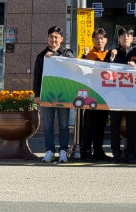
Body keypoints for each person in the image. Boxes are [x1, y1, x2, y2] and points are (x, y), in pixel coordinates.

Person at [33, 26, 74, 163]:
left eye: (56, 37)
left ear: (61, 39)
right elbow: (37, 77)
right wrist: (37, 95)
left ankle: (63, 151)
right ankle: (49, 151)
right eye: (51, 36)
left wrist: (55, 57)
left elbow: (73, 66)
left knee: (63, 125)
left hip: (64, 95)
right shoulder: (41, 56)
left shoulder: (67, 53)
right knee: (48, 126)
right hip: (47, 95)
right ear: (47, 38)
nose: (53, 39)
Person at [109, 27, 136, 164]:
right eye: (123, 36)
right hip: (115, 94)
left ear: (132, 38)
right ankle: (116, 153)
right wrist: (111, 58)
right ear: (119, 38)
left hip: (132, 94)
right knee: (115, 125)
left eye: (128, 36)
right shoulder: (113, 52)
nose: (125, 38)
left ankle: (130, 153)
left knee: (131, 125)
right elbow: (103, 70)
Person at [80, 28, 111, 162]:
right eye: (97, 38)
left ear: (106, 40)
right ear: (92, 40)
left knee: (101, 125)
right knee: (88, 124)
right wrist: (83, 57)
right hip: (91, 94)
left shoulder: (110, 54)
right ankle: (86, 150)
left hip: (105, 95)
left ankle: (98, 150)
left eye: (102, 38)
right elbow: (80, 71)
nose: (99, 41)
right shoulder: (88, 55)